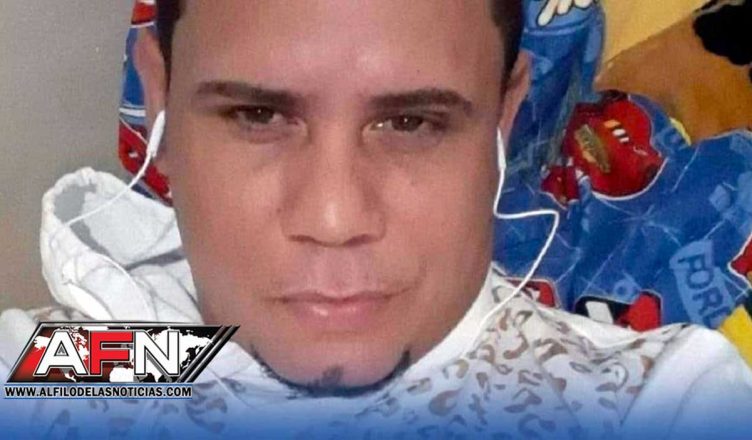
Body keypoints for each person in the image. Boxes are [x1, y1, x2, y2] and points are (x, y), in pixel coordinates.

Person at [1, 1, 751, 438]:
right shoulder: (66, 366)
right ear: (160, 101)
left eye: (413, 123)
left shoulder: (656, 399)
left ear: (503, 118)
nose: (333, 218)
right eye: (258, 115)